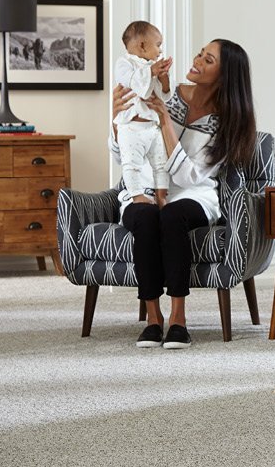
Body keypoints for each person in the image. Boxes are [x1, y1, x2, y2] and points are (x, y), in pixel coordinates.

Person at [109, 38, 257, 350]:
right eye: (200, 54)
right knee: (147, 215)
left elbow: (190, 175)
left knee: (173, 215)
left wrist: (164, 122)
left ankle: (178, 318)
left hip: (195, 196)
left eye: (208, 60)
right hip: (144, 190)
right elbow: (123, 153)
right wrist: (116, 121)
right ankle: (153, 318)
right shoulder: (161, 91)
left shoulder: (227, 121)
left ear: (225, 75)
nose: (197, 60)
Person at [113, 21, 172, 211]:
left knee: (161, 164)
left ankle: (161, 196)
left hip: (152, 127)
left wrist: (164, 81)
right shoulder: (124, 64)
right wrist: (151, 72)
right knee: (132, 164)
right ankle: (137, 195)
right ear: (142, 46)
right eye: (158, 44)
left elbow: (161, 97)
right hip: (132, 128)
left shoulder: (151, 66)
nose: (160, 51)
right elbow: (135, 85)